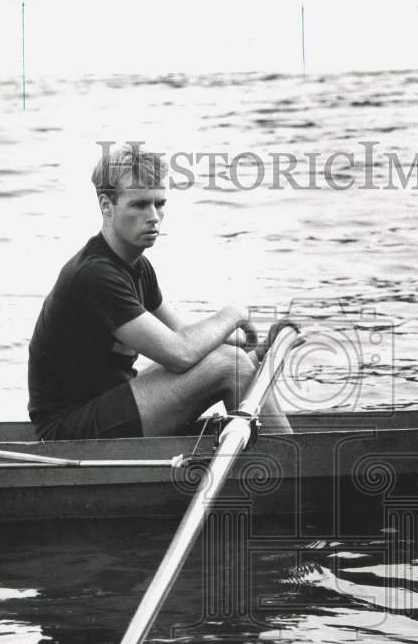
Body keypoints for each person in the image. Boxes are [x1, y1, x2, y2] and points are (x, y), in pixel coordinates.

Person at [28, 143, 292, 440]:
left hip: (108, 408)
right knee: (229, 367)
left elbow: (184, 335)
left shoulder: (138, 266)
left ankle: (274, 459)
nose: (153, 216)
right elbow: (180, 352)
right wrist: (234, 314)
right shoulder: (94, 275)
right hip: (68, 432)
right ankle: (296, 470)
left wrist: (248, 345)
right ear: (106, 206)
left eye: (159, 204)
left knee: (230, 358)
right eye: (140, 205)